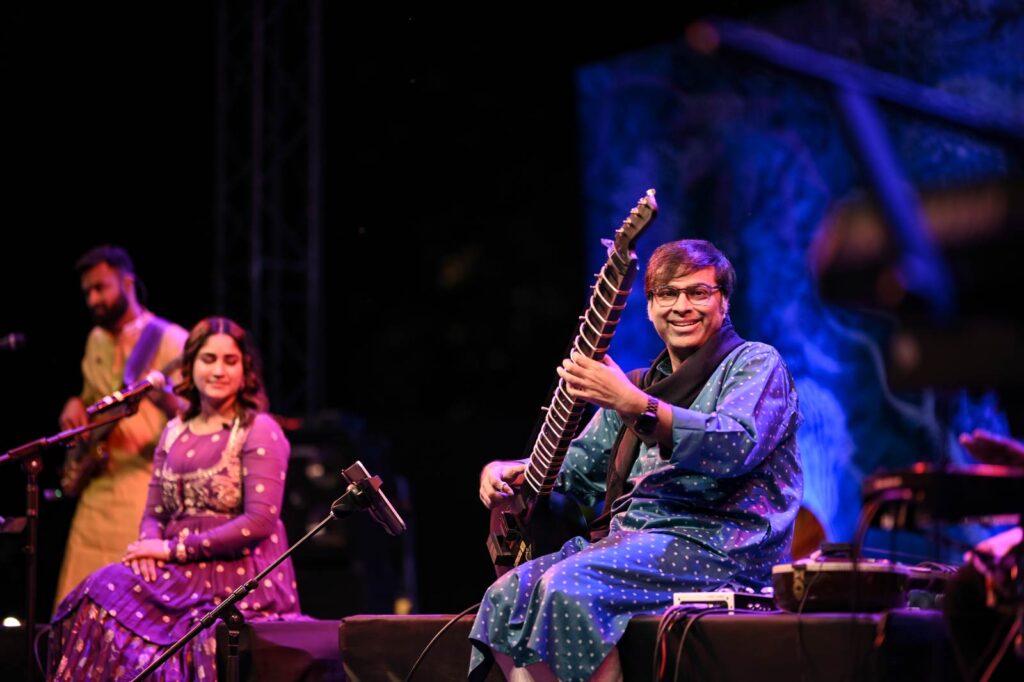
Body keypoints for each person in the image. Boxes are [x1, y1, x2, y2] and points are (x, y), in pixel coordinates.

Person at [471, 239, 802, 681]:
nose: (682, 306)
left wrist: (636, 407)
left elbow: (734, 445)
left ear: (724, 302)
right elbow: (576, 469)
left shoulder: (755, 363)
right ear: (649, 308)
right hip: (632, 543)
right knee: (503, 597)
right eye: (667, 294)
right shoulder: (636, 385)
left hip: (720, 546)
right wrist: (508, 471)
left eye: (698, 292)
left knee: (567, 587)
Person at [48, 316, 302, 680]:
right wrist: (149, 541)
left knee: (190, 638)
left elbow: (259, 522)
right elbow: (154, 510)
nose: (218, 370)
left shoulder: (259, 429)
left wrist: (171, 550)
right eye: (208, 359)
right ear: (190, 367)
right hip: (178, 573)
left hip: (240, 574)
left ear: (246, 371)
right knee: (95, 594)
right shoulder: (174, 430)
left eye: (230, 361)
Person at [55, 245, 188, 603]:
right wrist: (74, 403)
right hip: (95, 487)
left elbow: (197, 414)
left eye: (101, 288)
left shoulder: (170, 338)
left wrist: (159, 394)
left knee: (129, 605)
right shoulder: (95, 340)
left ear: (127, 283)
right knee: (77, 603)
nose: (93, 299)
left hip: (141, 489)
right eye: (88, 293)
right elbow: (90, 397)